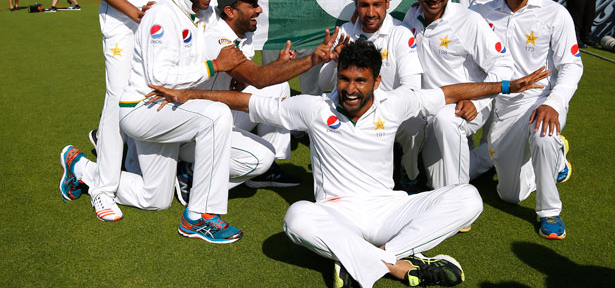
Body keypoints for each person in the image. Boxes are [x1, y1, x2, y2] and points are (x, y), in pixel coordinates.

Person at [147, 39, 551, 287]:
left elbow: (448, 92)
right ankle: (397, 267)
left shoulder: (396, 102)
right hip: (336, 213)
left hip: (388, 208)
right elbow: (247, 100)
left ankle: (364, 261)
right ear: (336, 76)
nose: (350, 89)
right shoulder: (312, 107)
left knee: (468, 200)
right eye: (344, 79)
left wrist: (505, 86)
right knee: (295, 219)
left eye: (360, 81)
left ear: (376, 81)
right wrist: (191, 97)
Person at [59, 0, 249, 243]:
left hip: (168, 112)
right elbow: (160, 79)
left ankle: (80, 167)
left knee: (154, 199)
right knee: (217, 114)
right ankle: (199, 216)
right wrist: (216, 66)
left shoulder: (199, 14)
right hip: (142, 110)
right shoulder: (162, 15)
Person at [84, 0, 175, 222]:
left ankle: (134, 171)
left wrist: (166, 11)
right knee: (116, 100)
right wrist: (134, 11)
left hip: (154, 26)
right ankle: (102, 190)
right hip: (122, 26)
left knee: (147, 96)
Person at [473, 0, 583, 240]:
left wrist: (555, 104)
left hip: (539, 100)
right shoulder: (480, 14)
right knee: (510, 194)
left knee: (543, 134)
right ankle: (555, 157)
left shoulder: (555, 14)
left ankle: (549, 211)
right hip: (501, 107)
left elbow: (572, 66)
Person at [196, 0, 344, 192]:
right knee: (260, 158)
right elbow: (258, 78)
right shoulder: (218, 39)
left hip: (221, 112)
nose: (258, 10)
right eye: (252, 5)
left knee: (279, 87)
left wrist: (279, 67)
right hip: (199, 128)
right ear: (230, 11)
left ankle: (263, 172)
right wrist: (313, 59)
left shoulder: (241, 35)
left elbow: (251, 80)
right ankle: (193, 176)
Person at [402, 0, 514, 189]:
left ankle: (458, 200)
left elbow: (503, 64)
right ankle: (493, 152)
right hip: (430, 108)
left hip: (466, 105)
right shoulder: (411, 17)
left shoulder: (467, 20)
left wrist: (477, 102)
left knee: (446, 121)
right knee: (435, 182)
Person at [317, 0, 424, 191]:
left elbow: (412, 88)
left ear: (387, 3)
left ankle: (409, 171)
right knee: (322, 114)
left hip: (389, 110)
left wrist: (379, 108)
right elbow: (323, 84)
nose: (371, 12)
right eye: (364, 5)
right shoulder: (345, 32)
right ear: (356, 5)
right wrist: (334, 61)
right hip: (352, 109)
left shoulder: (400, 34)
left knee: (415, 123)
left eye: (377, 5)